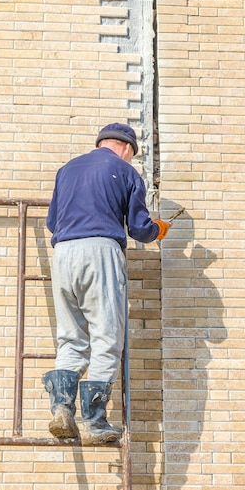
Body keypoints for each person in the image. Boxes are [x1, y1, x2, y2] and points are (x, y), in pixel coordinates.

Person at [42, 123, 171, 445]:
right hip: (101, 251)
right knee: (106, 339)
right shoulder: (125, 172)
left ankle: (62, 408)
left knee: (71, 339)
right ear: (127, 148)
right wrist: (158, 229)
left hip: (63, 253)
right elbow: (139, 229)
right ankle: (95, 424)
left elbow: (51, 223)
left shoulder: (67, 169)